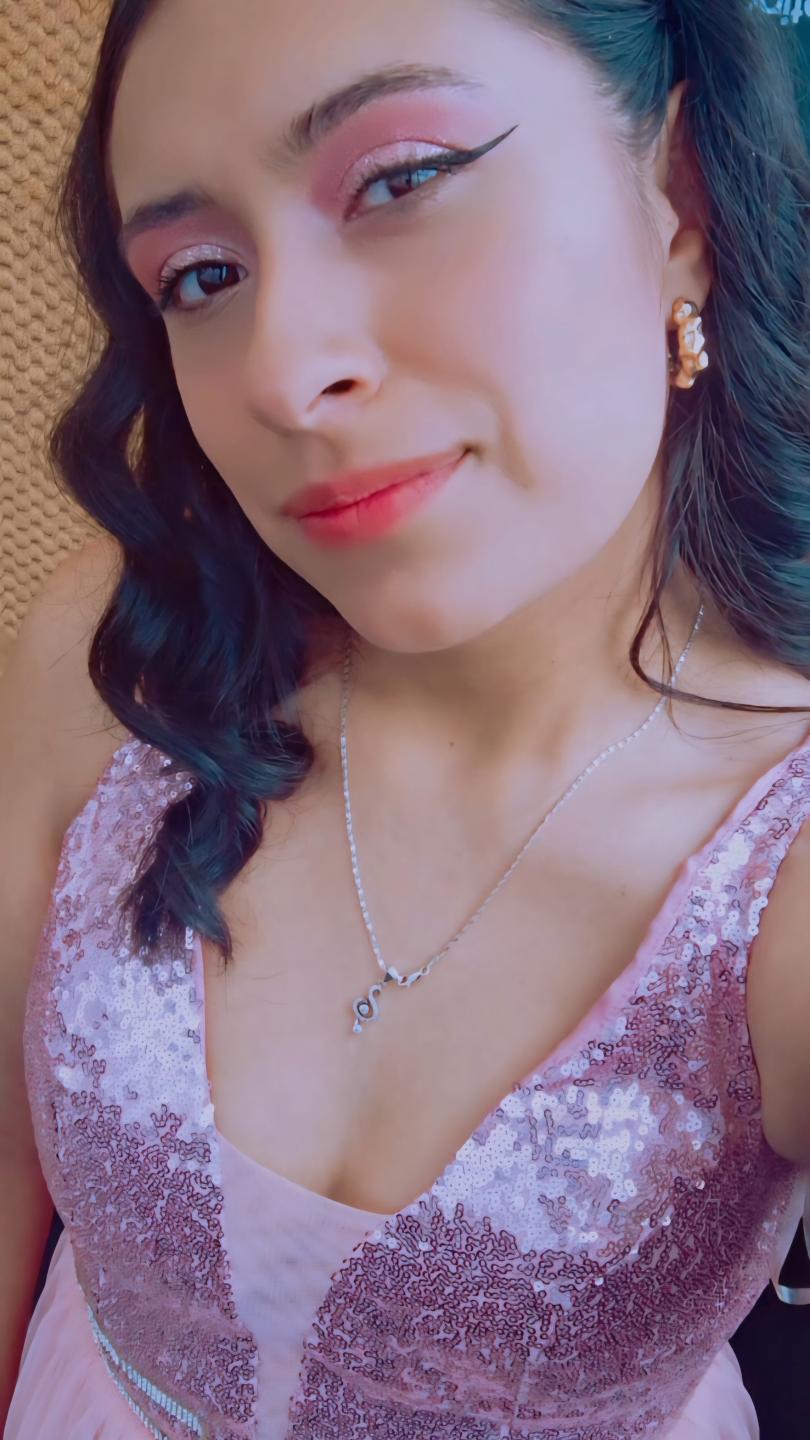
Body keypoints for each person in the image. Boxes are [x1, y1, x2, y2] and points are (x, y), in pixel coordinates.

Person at [2, 0, 810, 1435]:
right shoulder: (117, 653)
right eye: (200, 276)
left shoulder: (780, 866)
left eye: (400, 182)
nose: (280, 375)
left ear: (678, 198)